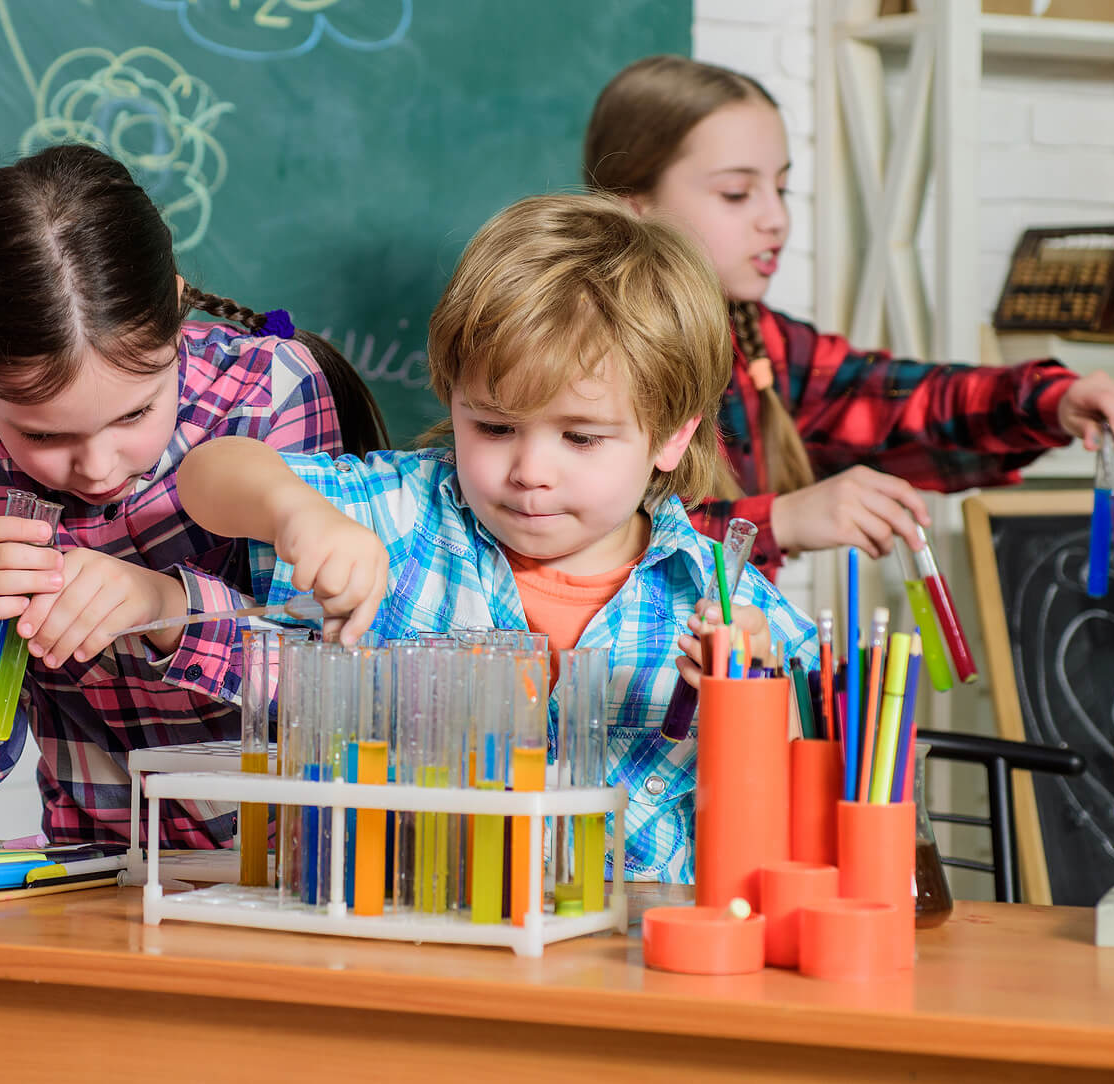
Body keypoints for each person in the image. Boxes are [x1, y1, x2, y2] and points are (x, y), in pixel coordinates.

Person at [177, 193, 816, 882]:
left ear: (672, 434)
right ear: (452, 400)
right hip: (412, 948)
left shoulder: (731, 607)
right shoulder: (404, 515)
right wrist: (293, 512)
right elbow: (210, 472)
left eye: (580, 437)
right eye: (494, 427)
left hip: (627, 976)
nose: (530, 472)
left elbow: (799, 835)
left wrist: (751, 703)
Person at [0, 143, 389, 847]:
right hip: (101, 875)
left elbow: (346, 694)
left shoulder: (266, 394)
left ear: (178, 315)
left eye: (133, 415)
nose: (97, 467)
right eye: (42, 435)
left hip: (301, 869)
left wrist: (169, 609)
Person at [584, 55, 1114, 574]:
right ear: (635, 206)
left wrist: (1048, 400)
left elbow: (901, 404)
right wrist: (782, 519)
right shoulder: (576, 350)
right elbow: (588, 538)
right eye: (736, 193)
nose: (776, 219)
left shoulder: (760, 343)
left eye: (781, 187)